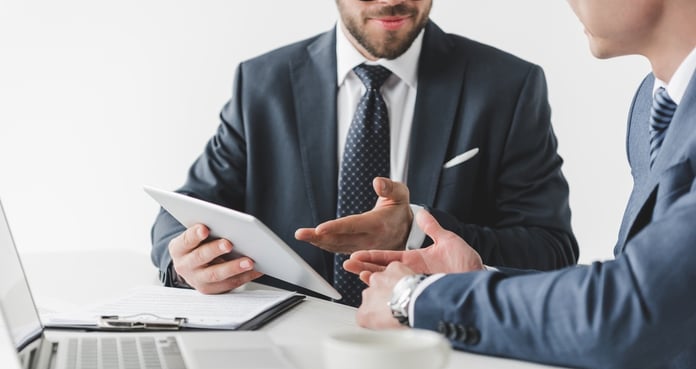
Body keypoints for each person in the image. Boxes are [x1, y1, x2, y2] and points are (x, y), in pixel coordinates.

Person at [347, 0, 696, 369]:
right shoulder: (656, 99)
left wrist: (417, 299)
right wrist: (474, 279)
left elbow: (628, 310)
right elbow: (654, 284)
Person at [151, 0, 578, 307]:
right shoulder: (262, 82)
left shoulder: (508, 86)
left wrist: (415, 231)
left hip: (440, 348)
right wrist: (186, 261)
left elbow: (550, 250)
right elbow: (179, 218)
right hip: (289, 351)